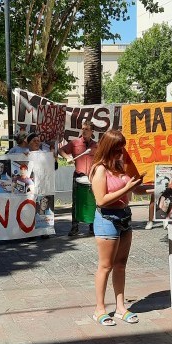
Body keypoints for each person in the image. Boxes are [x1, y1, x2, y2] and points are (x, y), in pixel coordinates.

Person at [89, 130, 144, 326]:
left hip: (124, 217)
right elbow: (101, 200)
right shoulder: (99, 169)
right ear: (109, 147)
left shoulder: (119, 165)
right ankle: (99, 309)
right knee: (106, 266)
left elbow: (136, 188)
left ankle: (120, 307)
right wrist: (126, 189)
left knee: (121, 264)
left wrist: (164, 187)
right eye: (118, 148)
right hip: (107, 218)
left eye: (123, 147)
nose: (121, 151)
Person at [60, 122, 97, 236]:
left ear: (92, 132)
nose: (84, 131)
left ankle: (92, 227)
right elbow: (61, 150)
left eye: (87, 129)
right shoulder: (75, 143)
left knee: (93, 202)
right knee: (76, 202)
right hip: (79, 176)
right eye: (83, 129)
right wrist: (68, 157)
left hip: (92, 177)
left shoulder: (97, 145)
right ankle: (75, 227)